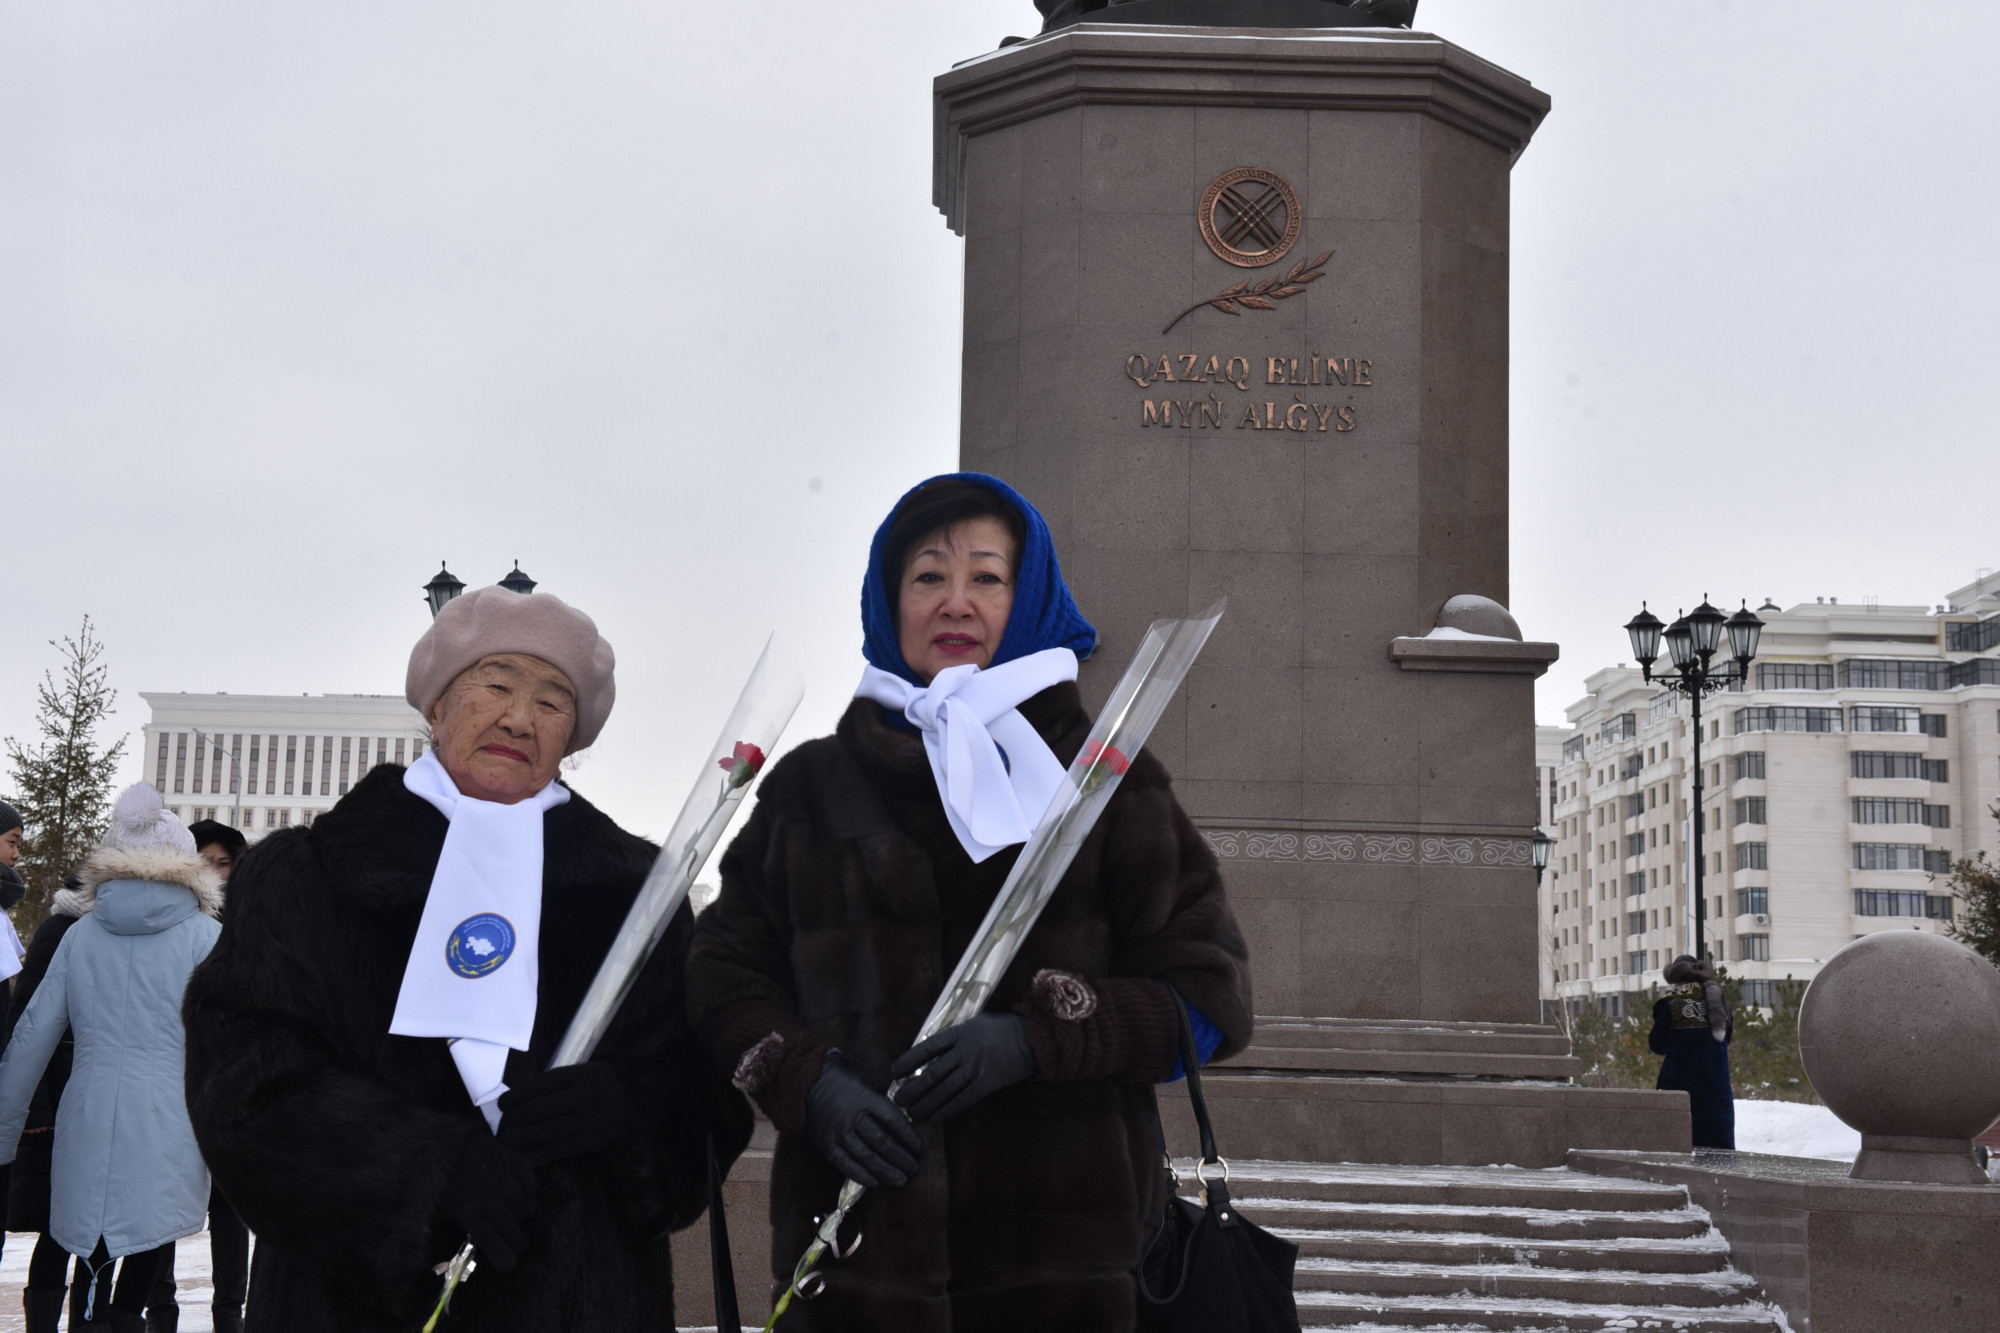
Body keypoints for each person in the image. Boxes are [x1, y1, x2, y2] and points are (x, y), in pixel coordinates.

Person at [688, 472, 1254, 1331]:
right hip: (849, 1272)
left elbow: (1211, 1002)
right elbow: (722, 981)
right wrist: (809, 1084)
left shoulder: (1101, 782)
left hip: (1067, 1281)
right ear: (889, 599)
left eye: (987, 576)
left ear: (1028, 598)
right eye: (928, 576)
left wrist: (1041, 1038)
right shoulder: (810, 788)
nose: (957, 601)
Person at [182, 587, 751, 1331]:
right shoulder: (308, 875)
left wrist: (628, 1113)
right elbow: (243, 1091)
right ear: (437, 705)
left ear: (574, 735)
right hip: (352, 1306)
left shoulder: (637, 894)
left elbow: (706, 1101)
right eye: (496, 682)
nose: (520, 716)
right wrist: (422, 1169)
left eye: (553, 701)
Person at [0, 786, 225, 1333]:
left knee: (86, 1241)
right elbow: (231, 1042)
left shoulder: (81, 936)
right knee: (149, 1239)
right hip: (169, 1116)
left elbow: (32, 1036)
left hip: (87, 1110)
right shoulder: (209, 937)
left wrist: (3, 1133)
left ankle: (81, 1322)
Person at [149, 819, 254, 1333]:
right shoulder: (166, 922)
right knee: (166, 1201)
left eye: (223, 862)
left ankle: (229, 1311)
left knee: (229, 1207)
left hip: (231, 1086)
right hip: (170, 1079)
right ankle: (160, 1306)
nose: (213, 872)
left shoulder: (257, 922)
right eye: (203, 862)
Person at [1651, 954, 1735, 1150]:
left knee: (1678, 1153)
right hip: (1717, 1095)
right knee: (1717, 1156)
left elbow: (1658, 1045)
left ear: (1676, 978)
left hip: (1679, 1094)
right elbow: (1725, 1040)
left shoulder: (1670, 1004)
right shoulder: (1722, 1005)